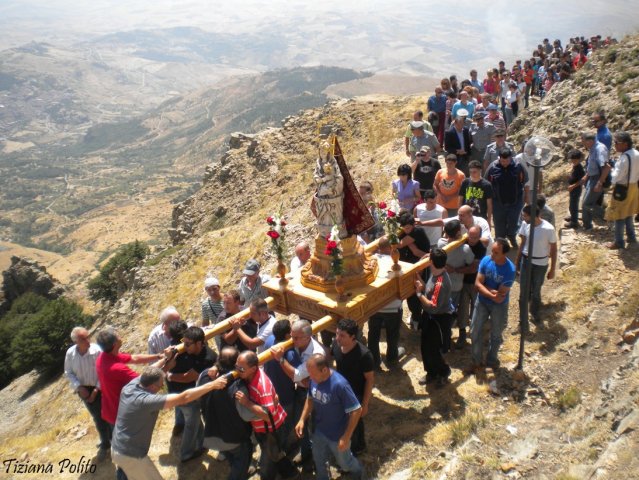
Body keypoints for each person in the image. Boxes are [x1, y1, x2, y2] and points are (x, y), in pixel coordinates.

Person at [111, 367, 228, 480]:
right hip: (132, 456)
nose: (162, 386)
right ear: (152, 386)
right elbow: (184, 397)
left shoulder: (131, 386)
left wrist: (166, 359)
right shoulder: (146, 401)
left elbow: (151, 369)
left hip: (117, 448)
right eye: (160, 385)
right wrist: (213, 385)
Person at [295, 354, 364, 480]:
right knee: (319, 460)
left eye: (313, 373)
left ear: (325, 370)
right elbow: (310, 399)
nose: (310, 377)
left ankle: (358, 473)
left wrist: (346, 436)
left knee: (345, 463)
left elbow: (357, 410)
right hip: (320, 431)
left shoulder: (340, 385)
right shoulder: (313, 380)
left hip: (338, 435)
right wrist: (302, 419)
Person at [270, 320, 325, 472]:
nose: (291, 341)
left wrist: (281, 359)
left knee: (314, 428)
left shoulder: (316, 353)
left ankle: (316, 460)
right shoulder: (298, 345)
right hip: (301, 391)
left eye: (296, 338)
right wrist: (301, 379)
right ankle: (306, 453)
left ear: (308, 337)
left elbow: (296, 375)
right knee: (300, 426)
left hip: (314, 394)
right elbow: (299, 377)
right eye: (291, 337)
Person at [234, 350, 297, 480]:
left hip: (271, 430)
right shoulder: (250, 375)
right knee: (274, 453)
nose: (237, 371)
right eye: (236, 366)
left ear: (253, 369)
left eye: (241, 368)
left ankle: (290, 474)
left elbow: (269, 416)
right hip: (264, 428)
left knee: (271, 458)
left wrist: (247, 403)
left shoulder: (262, 387)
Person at [198, 347, 254, 480]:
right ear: (237, 364)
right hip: (234, 437)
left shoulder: (205, 376)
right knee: (241, 462)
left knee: (230, 456)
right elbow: (247, 415)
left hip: (213, 432)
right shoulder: (238, 386)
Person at [165, 326, 218, 462]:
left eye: (188, 344)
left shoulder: (207, 357)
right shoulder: (187, 350)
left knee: (193, 422)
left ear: (199, 343)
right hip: (184, 396)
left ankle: (196, 447)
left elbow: (188, 377)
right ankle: (187, 453)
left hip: (191, 396)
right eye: (184, 343)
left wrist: (170, 376)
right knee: (193, 422)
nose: (185, 346)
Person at [64, 327, 112, 462]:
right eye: (84, 338)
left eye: (88, 336)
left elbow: (104, 371)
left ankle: (113, 441)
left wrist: (96, 390)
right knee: (97, 417)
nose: (88, 340)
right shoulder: (70, 354)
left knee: (108, 415)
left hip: (101, 387)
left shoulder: (97, 350)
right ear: (76, 342)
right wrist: (79, 387)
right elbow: (68, 373)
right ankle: (106, 443)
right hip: (84, 389)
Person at [470, 238, 516, 370]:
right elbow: (477, 284)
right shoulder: (486, 260)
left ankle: (491, 360)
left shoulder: (510, 270)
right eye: (492, 251)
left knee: (496, 334)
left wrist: (484, 287)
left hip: (499, 307)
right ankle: (476, 361)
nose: (492, 255)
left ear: (504, 254)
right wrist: (490, 292)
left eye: (496, 252)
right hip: (482, 302)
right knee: (474, 331)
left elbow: (500, 298)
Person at [330, 319, 374, 456]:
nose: (338, 338)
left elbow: (369, 379)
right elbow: (331, 358)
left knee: (355, 424)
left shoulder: (364, 355)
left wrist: (365, 404)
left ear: (353, 337)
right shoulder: (336, 346)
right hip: (341, 393)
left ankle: (359, 447)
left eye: (342, 335)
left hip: (356, 394)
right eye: (337, 334)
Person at [414, 247, 453, 386]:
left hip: (438, 319)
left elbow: (432, 305)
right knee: (425, 346)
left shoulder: (440, 282)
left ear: (431, 262)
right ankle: (431, 372)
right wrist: (417, 278)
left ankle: (443, 372)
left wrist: (419, 294)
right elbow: (428, 290)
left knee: (435, 349)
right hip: (429, 318)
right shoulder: (435, 273)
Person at [515, 205, 557, 331]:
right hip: (526, 262)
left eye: (525, 215)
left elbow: (554, 250)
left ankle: (535, 313)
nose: (523, 217)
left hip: (540, 264)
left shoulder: (548, 229)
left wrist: (552, 269)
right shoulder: (525, 225)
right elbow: (522, 243)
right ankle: (523, 322)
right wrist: (517, 262)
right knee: (523, 293)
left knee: (536, 290)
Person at [369, 237, 406, 369]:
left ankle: (373, 360)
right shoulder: (396, 264)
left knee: (373, 334)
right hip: (393, 307)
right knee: (392, 334)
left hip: (374, 305)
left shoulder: (371, 261)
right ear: (392, 248)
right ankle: (392, 357)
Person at [437, 220, 475, 342]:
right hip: (455, 286)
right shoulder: (465, 249)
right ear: (458, 232)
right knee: (450, 312)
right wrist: (456, 270)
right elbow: (472, 266)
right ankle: (446, 336)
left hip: (441, 285)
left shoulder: (440, 244)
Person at [485, 148, 529, 248]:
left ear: (511, 158)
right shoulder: (493, 167)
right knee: (499, 224)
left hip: (516, 201)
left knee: (514, 222)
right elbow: (486, 184)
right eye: (502, 161)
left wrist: (526, 196)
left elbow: (525, 181)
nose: (504, 163)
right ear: (499, 158)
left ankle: (512, 237)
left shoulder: (519, 166)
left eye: (507, 161)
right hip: (498, 202)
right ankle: (500, 243)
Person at [604, 131, 639, 249]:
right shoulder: (636, 153)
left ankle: (619, 242)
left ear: (624, 144)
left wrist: (611, 169)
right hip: (634, 187)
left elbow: (615, 178)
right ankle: (632, 237)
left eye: (616, 143)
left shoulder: (624, 159)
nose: (615, 145)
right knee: (628, 212)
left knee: (618, 214)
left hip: (622, 188)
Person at [455, 226, 486, 349]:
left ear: (479, 237)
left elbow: (473, 268)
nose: (472, 239)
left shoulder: (480, 248)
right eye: (470, 236)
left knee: (475, 309)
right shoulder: (463, 242)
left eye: (475, 237)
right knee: (462, 308)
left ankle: (475, 333)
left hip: (474, 282)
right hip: (463, 282)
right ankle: (462, 333)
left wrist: (456, 270)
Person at [580, 131, 611, 231]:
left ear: (590, 141)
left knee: (587, 204)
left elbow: (606, 168)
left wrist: (599, 183)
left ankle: (609, 215)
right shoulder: (592, 149)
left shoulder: (599, 149)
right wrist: (586, 176)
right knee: (586, 203)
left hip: (597, 178)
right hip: (592, 178)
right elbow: (593, 165)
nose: (583, 144)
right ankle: (587, 224)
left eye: (584, 142)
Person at [459, 160, 494, 225]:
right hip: (466, 217)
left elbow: (489, 204)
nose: (472, 174)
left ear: (480, 171)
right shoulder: (465, 182)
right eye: (470, 172)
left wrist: (489, 221)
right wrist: (459, 216)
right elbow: (460, 200)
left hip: (481, 217)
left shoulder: (487, 185)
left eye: (474, 172)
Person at [564, 150, 586, 229]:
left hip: (576, 189)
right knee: (571, 205)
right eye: (572, 160)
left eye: (575, 160)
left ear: (579, 159)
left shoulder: (579, 169)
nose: (573, 161)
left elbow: (580, 181)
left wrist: (573, 186)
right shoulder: (575, 166)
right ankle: (572, 217)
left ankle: (574, 222)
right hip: (572, 188)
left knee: (574, 205)